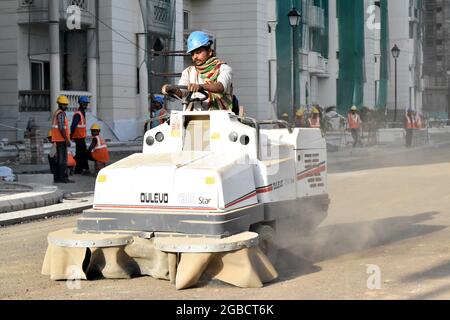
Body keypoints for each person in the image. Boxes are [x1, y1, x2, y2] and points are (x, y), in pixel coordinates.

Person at [162, 31, 233, 111]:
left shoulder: (223, 68)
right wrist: (172, 89)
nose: (194, 57)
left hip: (219, 117)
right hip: (194, 117)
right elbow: (182, 93)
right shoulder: (188, 72)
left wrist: (201, 87)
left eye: (198, 52)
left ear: (209, 52)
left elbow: (221, 86)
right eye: (192, 54)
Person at [51, 95, 74, 183]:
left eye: (66, 104)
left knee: (61, 159)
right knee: (63, 160)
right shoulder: (60, 114)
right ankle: (63, 178)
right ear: (59, 104)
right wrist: (67, 140)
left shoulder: (58, 112)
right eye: (63, 104)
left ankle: (59, 177)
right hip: (61, 140)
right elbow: (61, 128)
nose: (65, 106)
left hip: (59, 139)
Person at [70, 96, 90, 175]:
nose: (86, 105)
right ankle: (80, 169)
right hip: (78, 137)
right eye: (84, 104)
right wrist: (71, 135)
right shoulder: (78, 114)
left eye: (86, 104)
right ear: (80, 104)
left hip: (81, 137)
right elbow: (73, 125)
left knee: (81, 153)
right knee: (81, 154)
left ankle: (81, 169)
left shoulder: (82, 113)